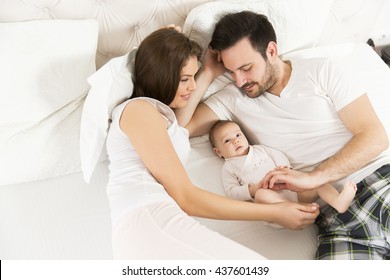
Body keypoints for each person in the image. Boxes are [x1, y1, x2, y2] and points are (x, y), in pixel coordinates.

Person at [176, 11, 390, 259]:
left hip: (379, 184)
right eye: (230, 71)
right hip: (337, 220)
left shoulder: (321, 70)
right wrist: (209, 73)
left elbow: (374, 136)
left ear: (271, 51)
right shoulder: (232, 99)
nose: (238, 80)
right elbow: (178, 127)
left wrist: (313, 178)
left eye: (246, 68)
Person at [105, 27, 319, 259]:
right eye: (185, 79)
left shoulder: (163, 120)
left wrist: (207, 70)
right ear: (160, 74)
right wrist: (273, 212)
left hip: (153, 224)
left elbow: (181, 124)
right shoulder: (138, 110)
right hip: (149, 220)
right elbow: (186, 197)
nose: (193, 86)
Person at [209, 120, 357, 213]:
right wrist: (253, 189)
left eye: (238, 135)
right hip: (275, 205)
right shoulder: (229, 168)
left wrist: (286, 171)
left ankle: (338, 201)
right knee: (262, 195)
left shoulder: (260, 149)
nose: (236, 141)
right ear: (218, 152)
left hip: (291, 189)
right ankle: (294, 210)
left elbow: (278, 155)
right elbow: (232, 192)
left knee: (316, 180)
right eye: (227, 141)